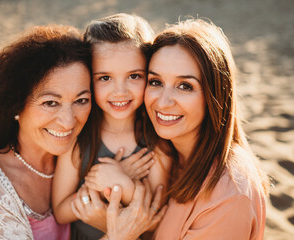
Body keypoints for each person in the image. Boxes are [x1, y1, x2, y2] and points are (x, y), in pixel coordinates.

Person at [104, 18, 269, 240]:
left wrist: (117, 235)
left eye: (185, 86)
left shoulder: (229, 196)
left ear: (215, 96)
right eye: (156, 82)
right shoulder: (164, 152)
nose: (163, 102)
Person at [0, 24, 92, 240]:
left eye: (81, 100)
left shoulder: (84, 155)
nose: (68, 121)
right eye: (50, 102)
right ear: (15, 105)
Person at [52, 13, 172, 240]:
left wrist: (123, 183)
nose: (120, 91)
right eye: (105, 78)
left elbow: (156, 217)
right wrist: (101, 182)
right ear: (89, 77)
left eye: (134, 76)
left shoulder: (157, 141)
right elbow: (60, 210)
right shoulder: (79, 137)